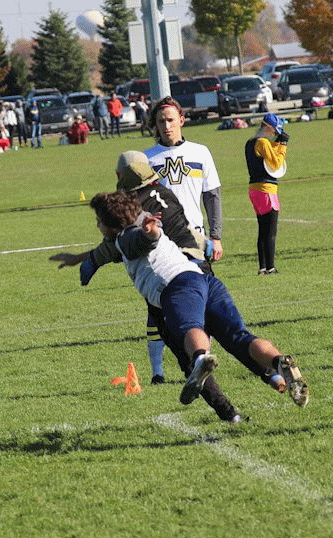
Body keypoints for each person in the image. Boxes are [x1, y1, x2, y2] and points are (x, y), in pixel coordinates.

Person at [48, 151, 284, 423]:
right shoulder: (165, 193)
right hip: (201, 271)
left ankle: (228, 411)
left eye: (99, 222)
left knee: (189, 347)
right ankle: (276, 371)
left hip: (173, 283)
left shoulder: (129, 210)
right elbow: (181, 227)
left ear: (120, 177)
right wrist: (205, 242)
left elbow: (123, 243)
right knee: (234, 335)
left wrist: (90, 258)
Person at [84, 190, 308, 410]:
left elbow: (144, 239)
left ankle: (201, 360)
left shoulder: (125, 237)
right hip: (205, 280)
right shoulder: (141, 223)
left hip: (178, 286)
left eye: (99, 221)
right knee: (240, 337)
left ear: (112, 224)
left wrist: (150, 233)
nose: (97, 226)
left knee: (189, 328)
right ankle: (279, 362)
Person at [144, 96, 226, 379]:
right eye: (160, 121)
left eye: (170, 119)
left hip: (195, 243)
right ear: (155, 125)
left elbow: (212, 196)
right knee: (157, 307)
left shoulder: (200, 152)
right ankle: (157, 372)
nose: (166, 126)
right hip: (161, 244)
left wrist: (216, 236)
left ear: (181, 120)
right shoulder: (146, 159)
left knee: (203, 302)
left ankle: (202, 363)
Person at [245, 113, 289, 275]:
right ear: (268, 128)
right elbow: (276, 163)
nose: (274, 134)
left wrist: (277, 143)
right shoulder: (263, 142)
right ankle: (271, 267)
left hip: (254, 190)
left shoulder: (251, 142)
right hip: (266, 190)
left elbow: (268, 154)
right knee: (270, 232)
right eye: (274, 131)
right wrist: (283, 145)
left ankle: (262, 267)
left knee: (262, 231)